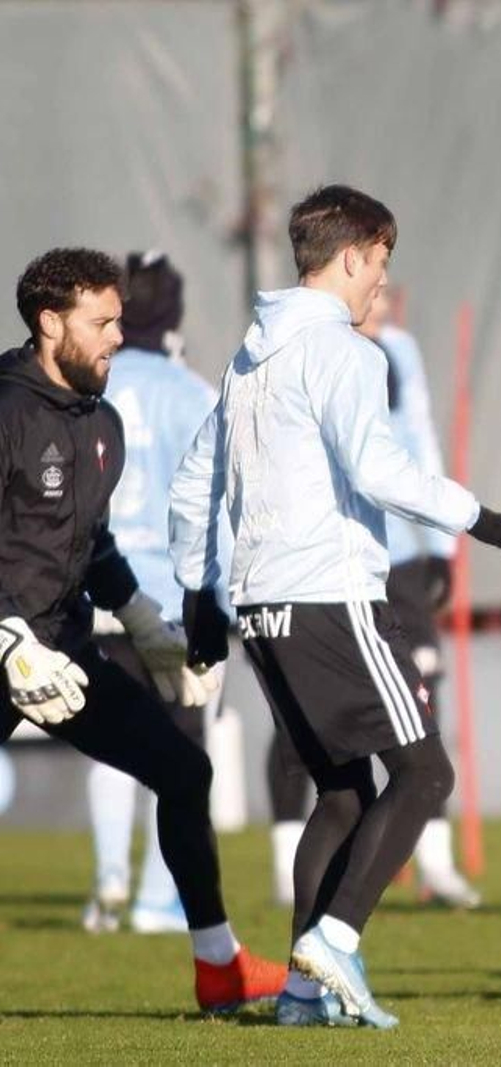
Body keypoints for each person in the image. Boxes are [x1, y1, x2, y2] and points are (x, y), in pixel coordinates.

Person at [169, 185, 501, 1028]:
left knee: (341, 792)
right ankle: (334, 938)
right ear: (351, 257)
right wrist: (487, 520)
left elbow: (197, 480)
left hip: (261, 607)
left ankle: (304, 993)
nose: (383, 282)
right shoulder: (345, 352)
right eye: (380, 263)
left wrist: (199, 594)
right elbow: (380, 470)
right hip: (330, 597)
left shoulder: (249, 355)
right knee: (425, 773)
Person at [1, 247, 284, 1012]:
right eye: (100, 323)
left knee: (184, 772)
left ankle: (217, 965)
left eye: (119, 320)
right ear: (48, 321)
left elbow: (90, 545)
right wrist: (7, 638)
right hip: (7, 650)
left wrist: (142, 619)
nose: (117, 337)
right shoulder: (3, 409)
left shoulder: (104, 423)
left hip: (60, 653)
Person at [266, 286, 480, 910]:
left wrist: (444, 542)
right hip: (328, 562)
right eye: (374, 286)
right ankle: (312, 901)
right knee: (311, 737)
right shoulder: (305, 352)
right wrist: (481, 520)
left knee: (420, 710)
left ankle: (431, 867)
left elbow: (419, 437)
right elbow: (367, 465)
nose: (380, 305)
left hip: (400, 552)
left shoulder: (397, 353)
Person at [82, 250, 225, 937]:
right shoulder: (190, 390)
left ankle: (108, 881)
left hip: (96, 591)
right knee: (182, 756)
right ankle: (157, 899)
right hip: (167, 601)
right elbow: (216, 501)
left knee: (107, 742)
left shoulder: (88, 387)